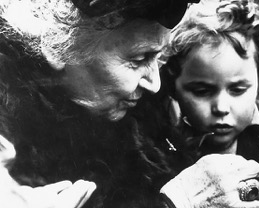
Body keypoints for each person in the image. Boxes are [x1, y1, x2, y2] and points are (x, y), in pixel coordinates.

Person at [0, 0, 205, 207]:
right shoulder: (6, 140)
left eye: (158, 58)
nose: (155, 85)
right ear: (56, 45)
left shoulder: (145, 117)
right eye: (140, 59)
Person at [152, 0, 259, 207]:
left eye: (238, 90)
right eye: (202, 91)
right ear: (173, 87)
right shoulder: (169, 136)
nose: (221, 108)